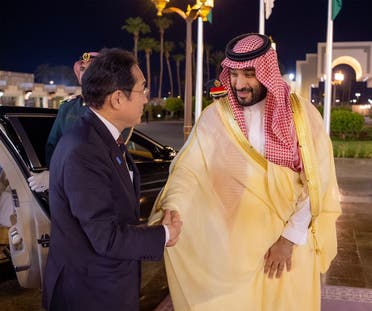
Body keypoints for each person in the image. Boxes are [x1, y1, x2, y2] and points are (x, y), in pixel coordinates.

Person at [149, 33, 341, 311]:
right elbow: (190, 169)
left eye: (249, 74)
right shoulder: (217, 116)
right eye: (234, 74)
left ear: (267, 71)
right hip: (234, 244)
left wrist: (288, 239)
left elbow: (318, 180)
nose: (239, 84)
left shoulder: (301, 114)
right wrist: (174, 206)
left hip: (288, 243)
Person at [42, 48, 182, 311]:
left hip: (105, 285)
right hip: (88, 294)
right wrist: (165, 234)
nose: (146, 98)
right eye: (142, 90)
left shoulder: (101, 137)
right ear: (118, 98)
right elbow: (105, 237)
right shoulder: (84, 149)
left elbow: (114, 215)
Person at [28, 51, 99, 192]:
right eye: (83, 69)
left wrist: (56, 176)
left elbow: (101, 156)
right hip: (65, 186)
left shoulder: (113, 108)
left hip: (93, 186)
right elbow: (53, 146)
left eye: (90, 69)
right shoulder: (68, 106)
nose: (84, 73)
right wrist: (54, 173)